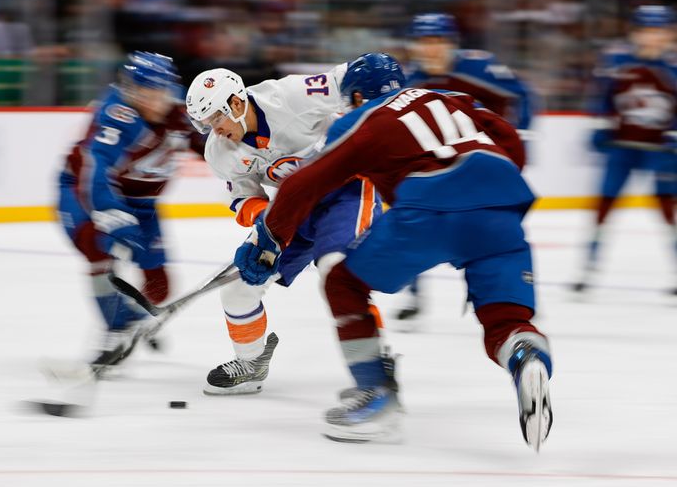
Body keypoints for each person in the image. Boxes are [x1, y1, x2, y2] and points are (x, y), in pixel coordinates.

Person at [234, 53, 553, 450]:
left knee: (343, 283)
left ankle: (376, 394)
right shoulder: (451, 96)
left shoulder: (361, 119)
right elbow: (509, 141)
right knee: (505, 317)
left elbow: (305, 183)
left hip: (429, 205)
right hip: (501, 205)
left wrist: (270, 238)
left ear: (353, 98)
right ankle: (525, 356)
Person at [185, 63, 385, 395]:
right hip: (294, 208)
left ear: (236, 104)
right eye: (205, 124)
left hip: (346, 191)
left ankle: (376, 371)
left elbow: (349, 78)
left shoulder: (291, 95)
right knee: (237, 288)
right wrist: (266, 223)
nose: (213, 131)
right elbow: (244, 195)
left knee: (339, 276)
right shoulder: (219, 152)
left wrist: (379, 76)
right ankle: (251, 364)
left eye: (215, 119)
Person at [57, 51, 198, 368]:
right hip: (84, 191)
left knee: (159, 284)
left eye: (157, 92)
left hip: (143, 203)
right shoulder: (118, 114)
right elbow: (97, 166)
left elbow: (214, 146)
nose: (150, 99)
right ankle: (115, 325)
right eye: (142, 92)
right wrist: (110, 213)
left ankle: (133, 316)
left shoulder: (180, 115)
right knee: (98, 246)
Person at [395, 12, 536, 320]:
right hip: (443, 166)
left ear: (453, 44)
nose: (430, 49)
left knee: (491, 231)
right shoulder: (409, 80)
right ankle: (414, 295)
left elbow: (523, 94)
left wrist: (519, 136)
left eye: (437, 41)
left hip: (485, 165)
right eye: (423, 42)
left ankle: (511, 296)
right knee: (414, 218)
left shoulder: (478, 66)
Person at [573, 5, 677, 293]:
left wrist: (673, 136)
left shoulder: (673, 67)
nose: (652, 38)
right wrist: (599, 128)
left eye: (659, 31)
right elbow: (602, 99)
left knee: (668, 211)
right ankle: (588, 267)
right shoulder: (617, 62)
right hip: (623, 148)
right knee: (604, 206)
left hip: (660, 151)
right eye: (647, 31)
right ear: (635, 33)